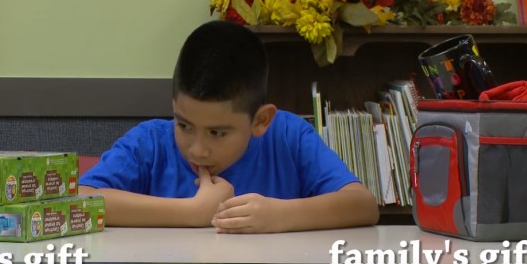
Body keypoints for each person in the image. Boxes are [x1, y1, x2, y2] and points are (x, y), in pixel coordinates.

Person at [78, 20, 379, 233]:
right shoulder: (150, 142)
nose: (197, 148)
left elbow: (363, 205)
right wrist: (192, 213)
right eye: (184, 125)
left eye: (217, 133)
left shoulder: (289, 136)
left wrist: (279, 215)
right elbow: (79, 200)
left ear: (260, 120)